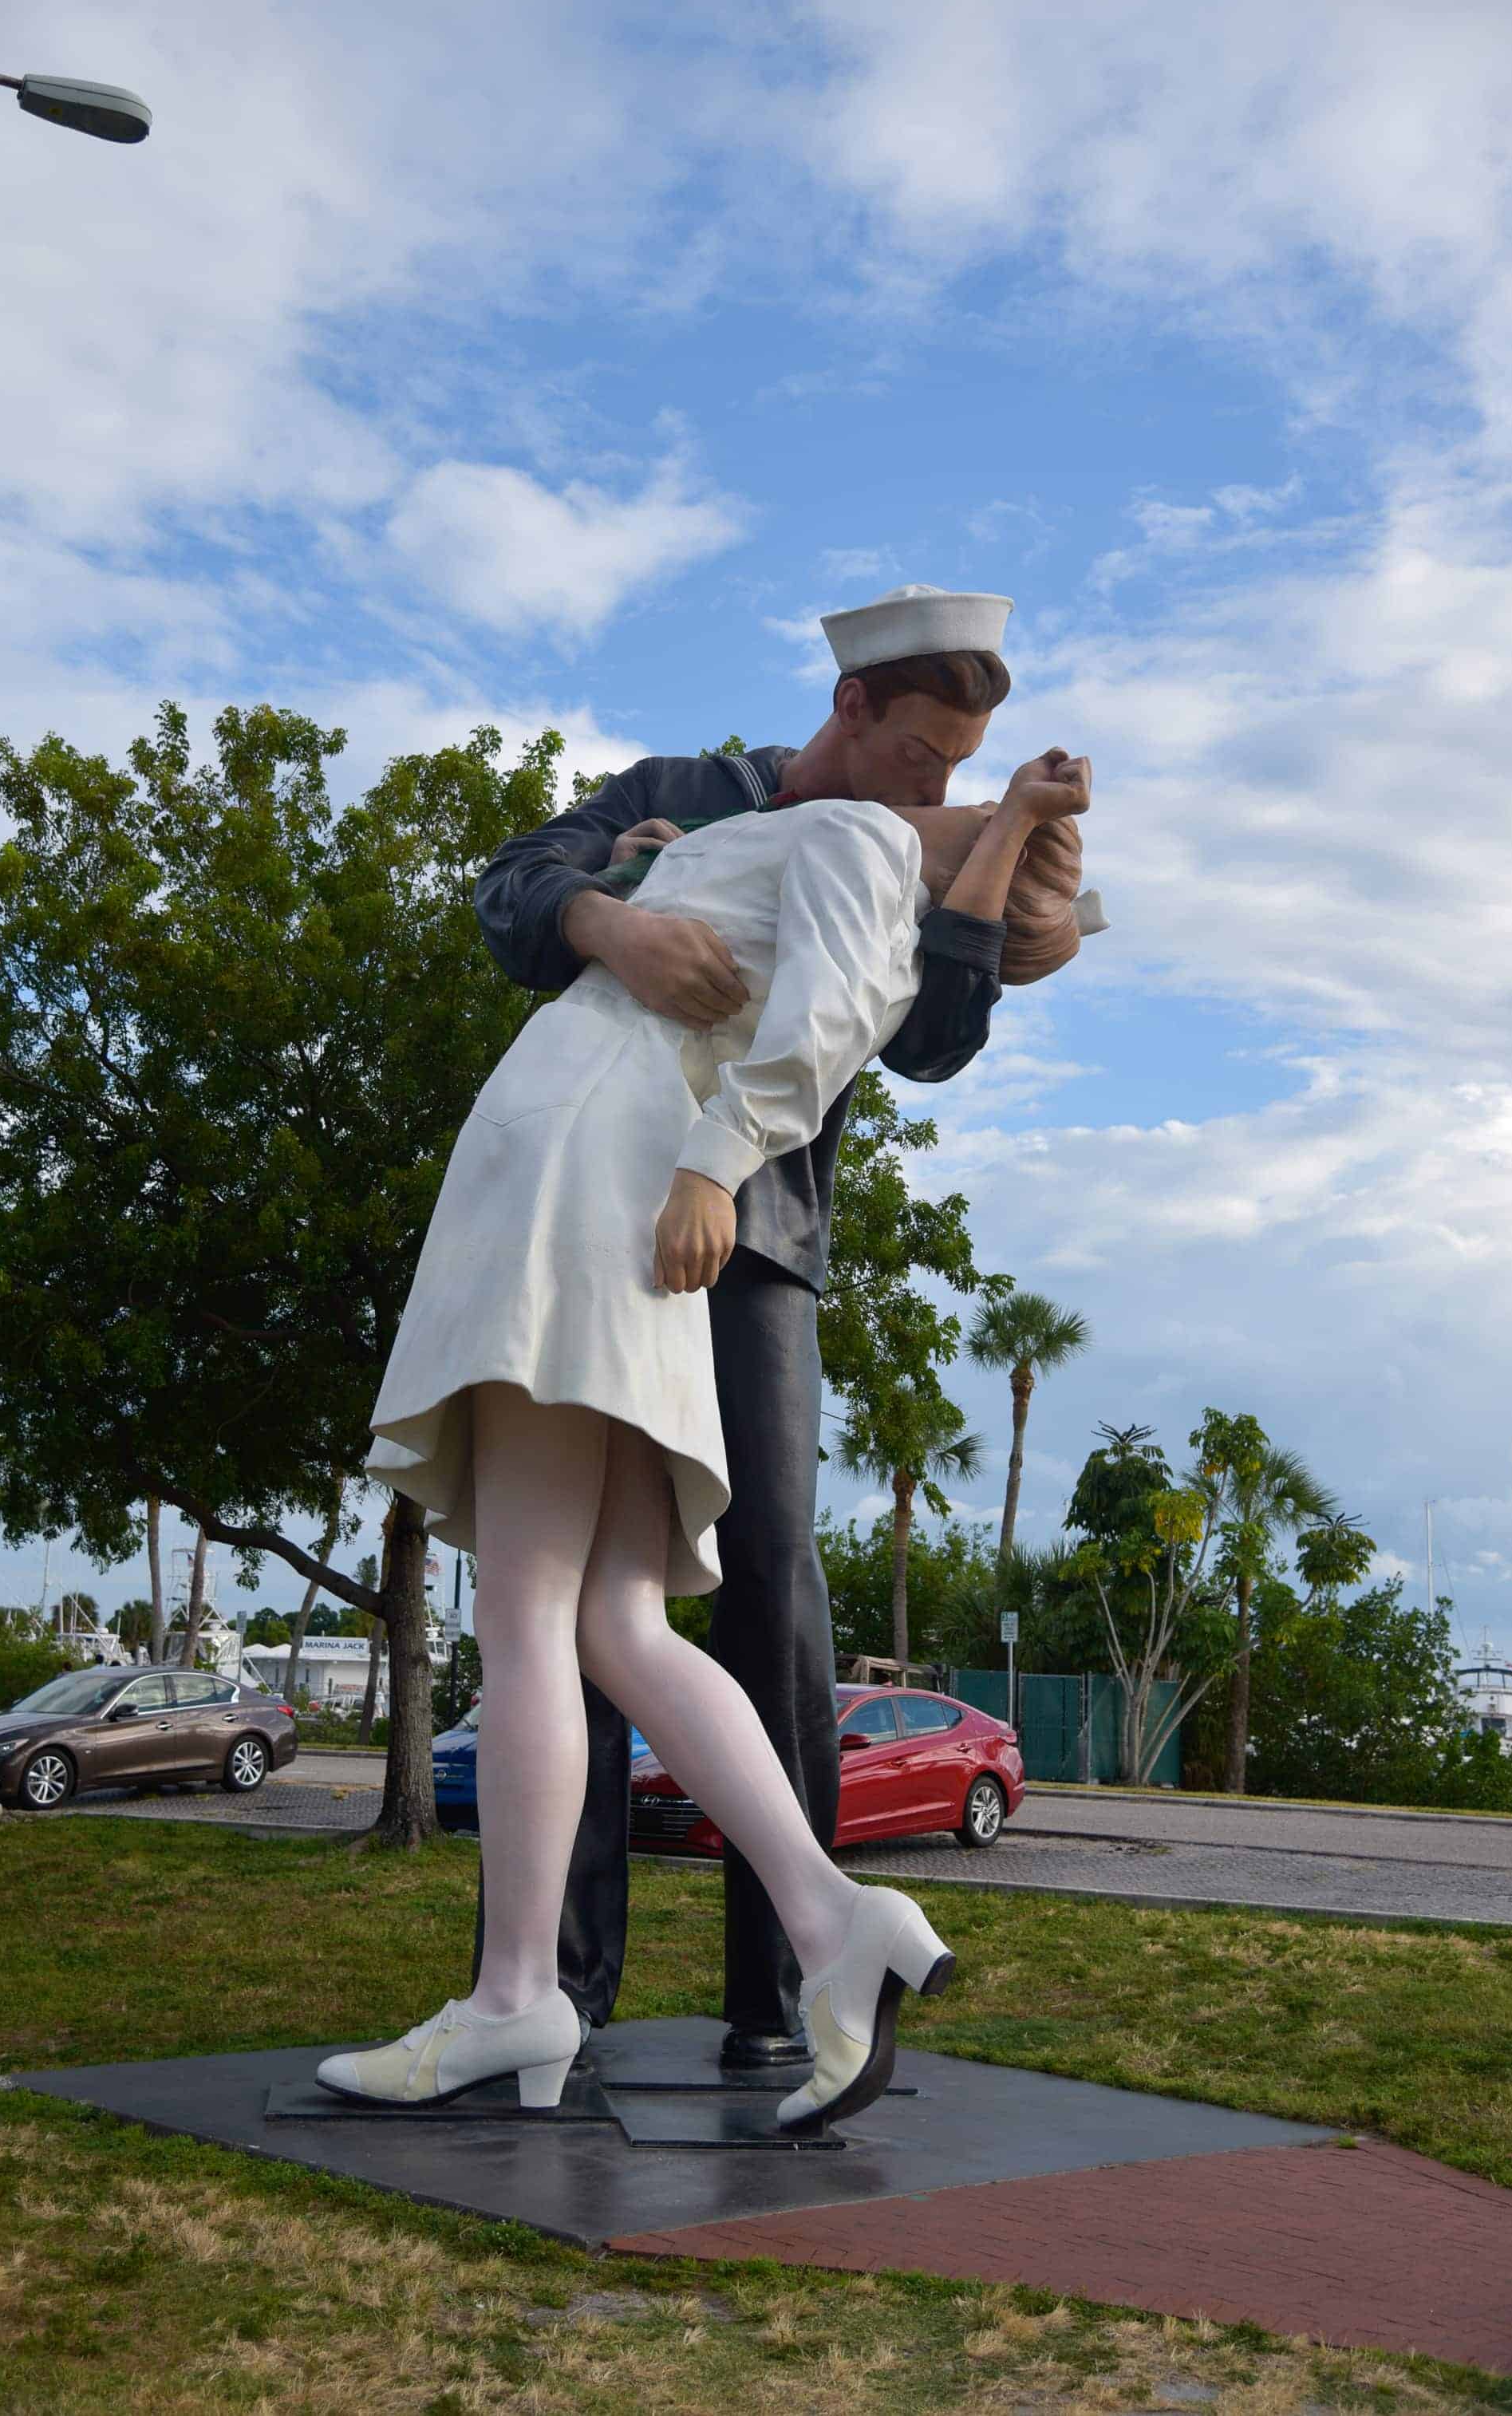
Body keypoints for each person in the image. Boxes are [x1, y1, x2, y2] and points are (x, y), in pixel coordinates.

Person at [318, 764, 1089, 2132]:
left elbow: (838, 1015)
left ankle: (515, 1998)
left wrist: (717, 1156)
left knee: (530, 1614)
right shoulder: (781, 836)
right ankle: (828, 1914)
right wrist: (664, 864)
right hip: (608, 1171)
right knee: (614, 1618)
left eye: (960, 795)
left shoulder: (848, 835)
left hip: (576, 1175)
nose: (939, 791)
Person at [467, 583, 1097, 2067]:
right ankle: (561, 1979)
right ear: (854, 707)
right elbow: (513, 892)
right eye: (921, 750)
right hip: (605, 1215)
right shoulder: (680, 796)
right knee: (564, 1607)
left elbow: (932, 1041)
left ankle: (782, 1994)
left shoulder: (901, 848)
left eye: (962, 769)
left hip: (762, 1240)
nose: (933, 786)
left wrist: (1012, 892)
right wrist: (607, 921)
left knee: (771, 1587)